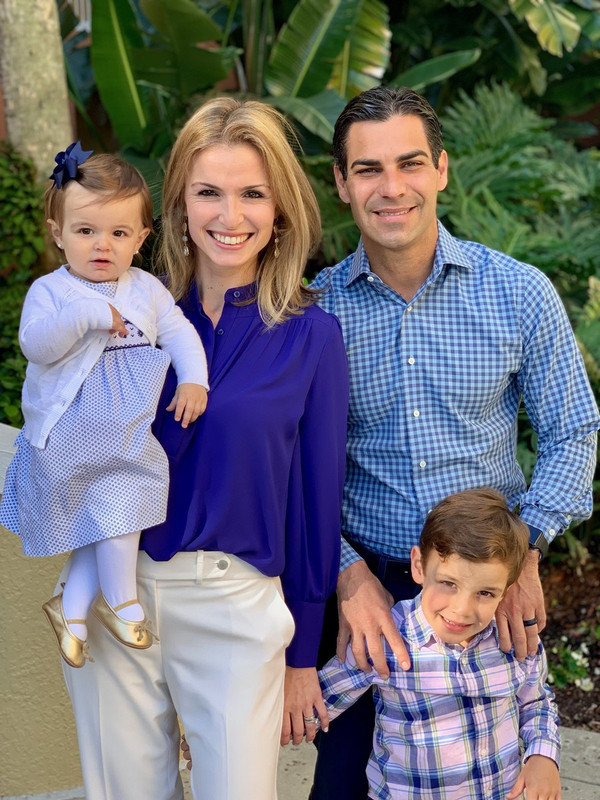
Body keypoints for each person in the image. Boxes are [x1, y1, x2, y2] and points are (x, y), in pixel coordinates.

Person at [308, 86, 599, 798]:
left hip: (483, 587)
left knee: (488, 778)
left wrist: (526, 547)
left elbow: (574, 430)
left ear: (442, 168)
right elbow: (291, 470)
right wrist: (349, 579)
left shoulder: (519, 294)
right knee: (342, 786)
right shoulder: (315, 313)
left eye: (410, 163)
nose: (392, 188)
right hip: (367, 589)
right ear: (342, 184)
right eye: (368, 169)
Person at [59, 99, 349, 800]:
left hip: (234, 605)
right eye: (208, 191)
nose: (230, 214)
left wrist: (303, 656)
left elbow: (316, 508)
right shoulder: (121, 315)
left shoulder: (313, 338)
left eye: (252, 193)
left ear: (280, 208)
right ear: (178, 205)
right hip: (114, 598)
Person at [0, 144, 209, 668]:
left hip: (126, 435)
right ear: (58, 233)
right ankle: (122, 602)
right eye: (86, 231)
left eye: (119, 233)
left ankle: (72, 612)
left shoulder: (146, 289)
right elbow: (36, 345)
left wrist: (194, 380)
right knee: (107, 522)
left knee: (113, 518)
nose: (101, 245)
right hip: (69, 436)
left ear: (141, 239)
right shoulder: (52, 292)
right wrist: (90, 313)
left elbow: (180, 334)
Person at [317, 488, 561, 800]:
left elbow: (536, 702)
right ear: (418, 566)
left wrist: (542, 755)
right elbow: (317, 703)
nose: (462, 609)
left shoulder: (512, 642)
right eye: (448, 583)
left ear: (508, 589)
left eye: (485, 593)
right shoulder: (389, 639)